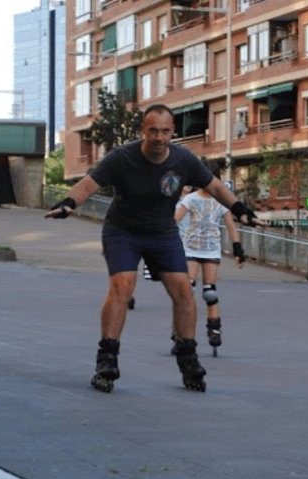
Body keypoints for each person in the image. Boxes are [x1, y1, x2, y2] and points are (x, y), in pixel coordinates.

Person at [45, 104, 265, 393]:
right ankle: (107, 358)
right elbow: (88, 185)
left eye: (165, 131)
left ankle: (187, 357)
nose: (159, 138)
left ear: (172, 132)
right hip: (122, 231)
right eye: (153, 131)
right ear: (143, 131)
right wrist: (67, 204)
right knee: (122, 287)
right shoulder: (121, 158)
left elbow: (215, 187)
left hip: (162, 233)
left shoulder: (184, 159)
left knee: (184, 292)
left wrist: (240, 209)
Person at [174, 164, 246, 354]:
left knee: (210, 293)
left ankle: (214, 328)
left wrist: (238, 249)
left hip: (211, 249)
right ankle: (180, 332)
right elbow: (175, 220)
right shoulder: (190, 198)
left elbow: (231, 227)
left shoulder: (222, 202)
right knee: (187, 290)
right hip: (190, 247)